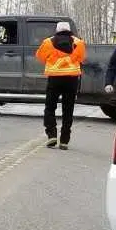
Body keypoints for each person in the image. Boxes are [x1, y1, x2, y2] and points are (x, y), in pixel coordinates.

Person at [35, 21, 86, 149]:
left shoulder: (48, 42)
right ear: (69, 30)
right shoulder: (78, 43)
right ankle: (64, 141)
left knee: (50, 107)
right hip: (72, 79)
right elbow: (81, 58)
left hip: (55, 78)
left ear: (57, 30)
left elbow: (40, 57)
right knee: (68, 109)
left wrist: (53, 59)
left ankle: (52, 135)